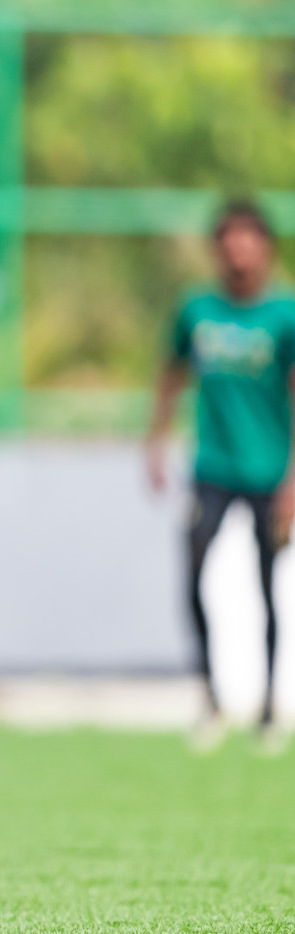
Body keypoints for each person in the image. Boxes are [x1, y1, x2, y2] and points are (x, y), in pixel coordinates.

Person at [147, 200, 295, 755]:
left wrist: (291, 483)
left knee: (267, 585)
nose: (238, 251)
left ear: (265, 247)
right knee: (192, 571)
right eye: (228, 241)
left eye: (247, 240)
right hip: (211, 468)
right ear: (218, 249)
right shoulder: (197, 310)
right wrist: (155, 443)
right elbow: (170, 373)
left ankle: (266, 710)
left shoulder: (285, 314)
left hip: (268, 471)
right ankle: (210, 699)